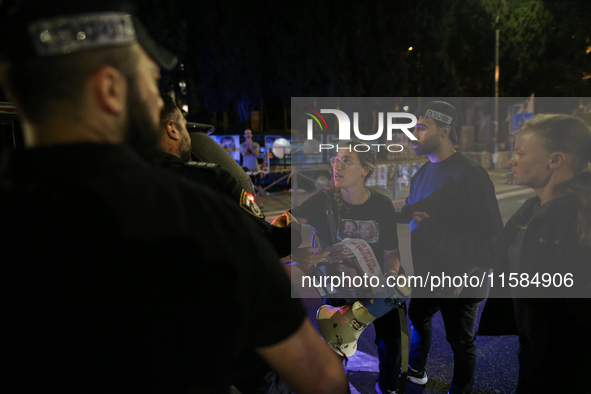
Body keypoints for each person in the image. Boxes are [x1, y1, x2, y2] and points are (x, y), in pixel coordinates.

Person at [0, 1, 349, 393]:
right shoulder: (197, 215)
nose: (159, 102)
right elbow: (321, 379)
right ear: (110, 89)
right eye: (151, 82)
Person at [416, 114, 591, 393]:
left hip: (565, 370)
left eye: (520, 153)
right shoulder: (532, 210)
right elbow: (491, 252)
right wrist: (434, 229)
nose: (511, 160)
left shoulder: (577, 221)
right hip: (534, 353)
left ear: (555, 160)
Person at [158, 93, 300, 393]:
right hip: (226, 334)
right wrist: (296, 225)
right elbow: (265, 245)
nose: (191, 138)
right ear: (172, 129)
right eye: (184, 127)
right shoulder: (209, 179)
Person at [395, 101, 503, 394]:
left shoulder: (471, 174)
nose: (414, 133)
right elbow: (409, 211)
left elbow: (493, 235)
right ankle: (417, 372)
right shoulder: (421, 174)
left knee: (461, 342)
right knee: (418, 320)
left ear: (444, 131)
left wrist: (466, 275)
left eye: (421, 127)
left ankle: (461, 389)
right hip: (427, 274)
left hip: (461, 279)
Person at [290, 141, 406, 394]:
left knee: (391, 344)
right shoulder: (322, 201)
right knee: (336, 343)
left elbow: (391, 253)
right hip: (340, 286)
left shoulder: (382, 205)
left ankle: (387, 388)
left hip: (378, 284)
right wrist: (295, 252)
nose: (337, 166)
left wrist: (389, 278)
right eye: (335, 160)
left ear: (365, 170)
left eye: (346, 161)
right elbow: (287, 222)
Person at [242, 128, 264, 207]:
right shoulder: (242, 145)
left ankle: (261, 203)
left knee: (258, 186)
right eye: (246, 133)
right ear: (244, 135)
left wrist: (250, 147)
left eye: (249, 133)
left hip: (255, 168)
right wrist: (247, 145)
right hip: (247, 169)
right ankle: (251, 204)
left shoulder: (256, 144)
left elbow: (256, 154)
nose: (248, 135)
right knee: (248, 187)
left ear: (251, 135)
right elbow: (244, 153)